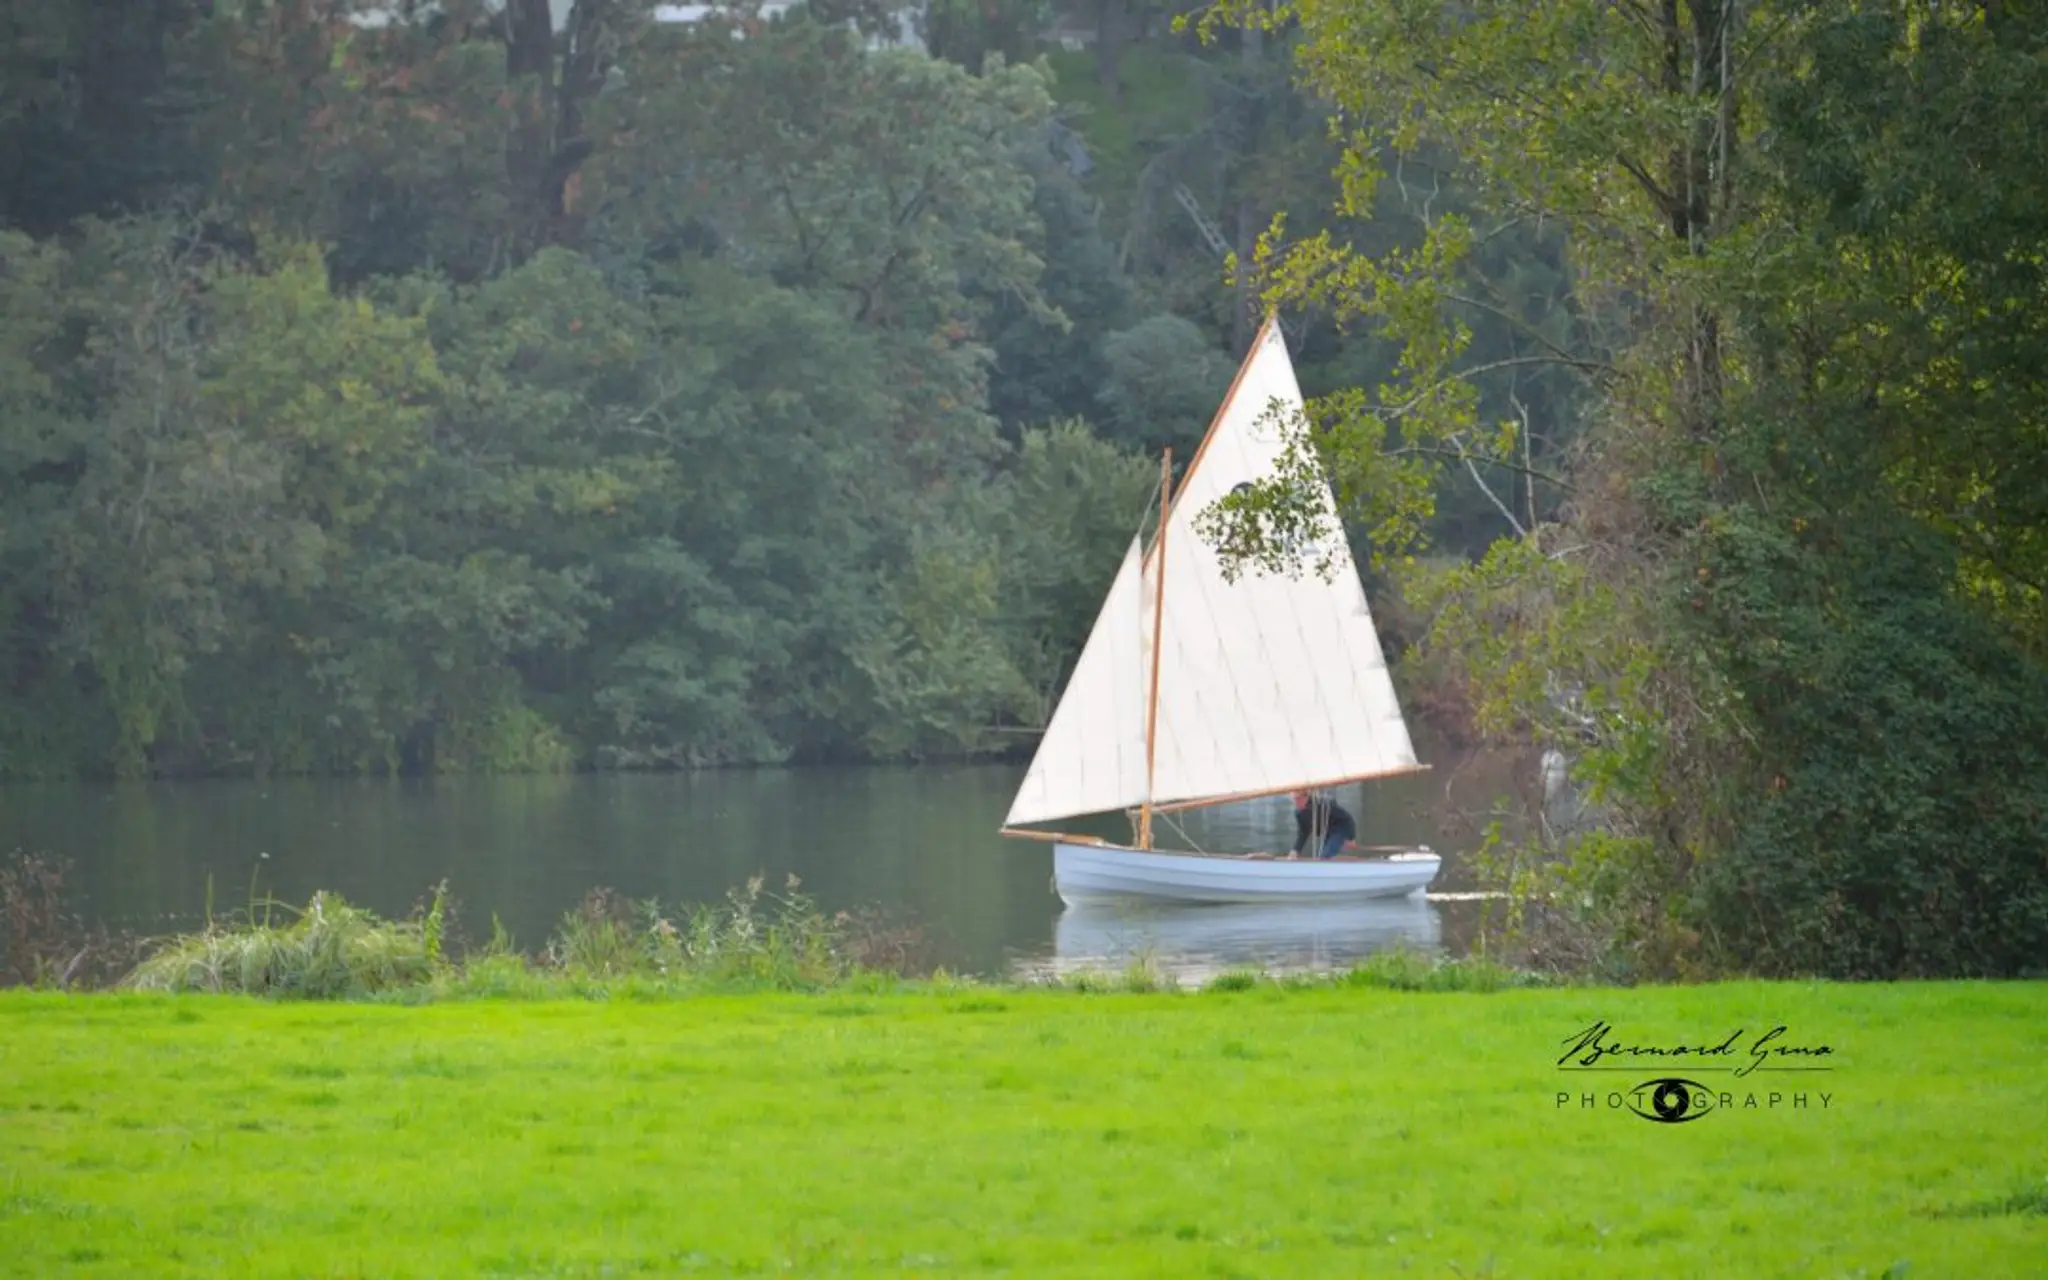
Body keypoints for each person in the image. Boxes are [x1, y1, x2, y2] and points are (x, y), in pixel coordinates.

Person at [1290, 789, 1357, 860]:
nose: (1296, 802)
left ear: (1306, 797)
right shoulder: (1299, 813)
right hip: (1327, 832)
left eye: (1298, 799)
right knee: (1323, 856)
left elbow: (1347, 818)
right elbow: (1303, 833)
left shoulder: (1323, 804)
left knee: (1325, 857)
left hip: (1340, 829)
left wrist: (1351, 838)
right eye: (1294, 799)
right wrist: (1296, 850)